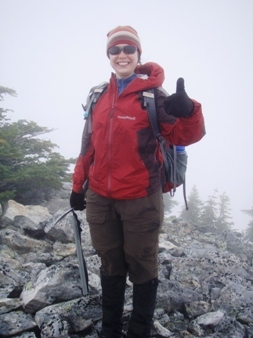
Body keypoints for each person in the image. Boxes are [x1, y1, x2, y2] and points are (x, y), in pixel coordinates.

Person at [70, 25, 205, 338]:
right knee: (110, 263)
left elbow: (188, 134)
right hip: (101, 198)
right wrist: (78, 188)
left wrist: (189, 111)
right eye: (115, 50)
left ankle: (139, 330)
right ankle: (110, 329)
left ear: (138, 54)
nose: (122, 55)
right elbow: (87, 147)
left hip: (141, 198)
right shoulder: (98, 96)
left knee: (142, 264)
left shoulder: (154, 97)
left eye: (128, 49)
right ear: (108, 56)